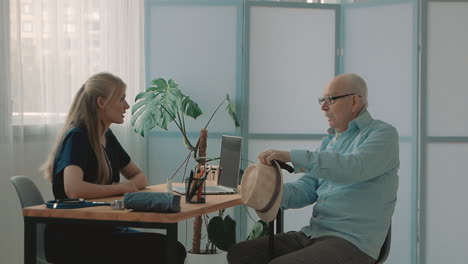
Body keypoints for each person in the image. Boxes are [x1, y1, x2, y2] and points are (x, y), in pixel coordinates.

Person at [228, 73, 399, 264]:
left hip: (352, 242)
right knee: (241, 253)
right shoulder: (328, 144)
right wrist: (265, 191)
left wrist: (292, 156)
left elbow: (353, 167)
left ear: (354, 101)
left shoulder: (382, 134)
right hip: (313, 235)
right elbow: (306, 188)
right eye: (322, 100)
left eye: (330, 100)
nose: (323, 107)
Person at [41, 72, 187, 264]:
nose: (126, 106)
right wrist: (122, 188)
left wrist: (128, 187)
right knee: (169, 250)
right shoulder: (77, 137)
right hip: (73, 238)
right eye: (122, 98)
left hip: (100, 229)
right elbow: (74, 189)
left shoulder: (106, 136)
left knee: (171, 248)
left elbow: (139, 177)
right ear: (101, 102)